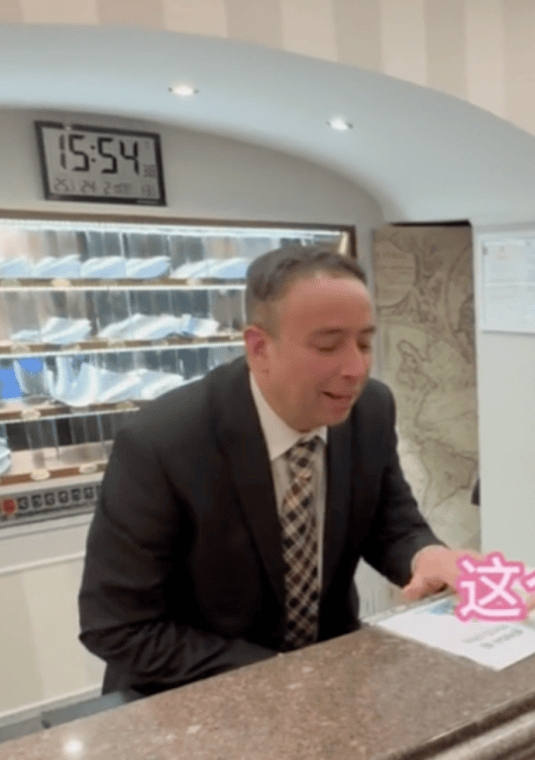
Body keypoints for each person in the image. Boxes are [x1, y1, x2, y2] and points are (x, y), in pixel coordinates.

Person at [79, 245, 468, 695]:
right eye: (329, 345)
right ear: (259, 347)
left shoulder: (371, 409)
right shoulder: (161, 443)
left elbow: (391, 523)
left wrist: (425, 556)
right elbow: (117, 626)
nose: (356, 368)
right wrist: (285, 676)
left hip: (327, 683)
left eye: (364, 342)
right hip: (195, 692)